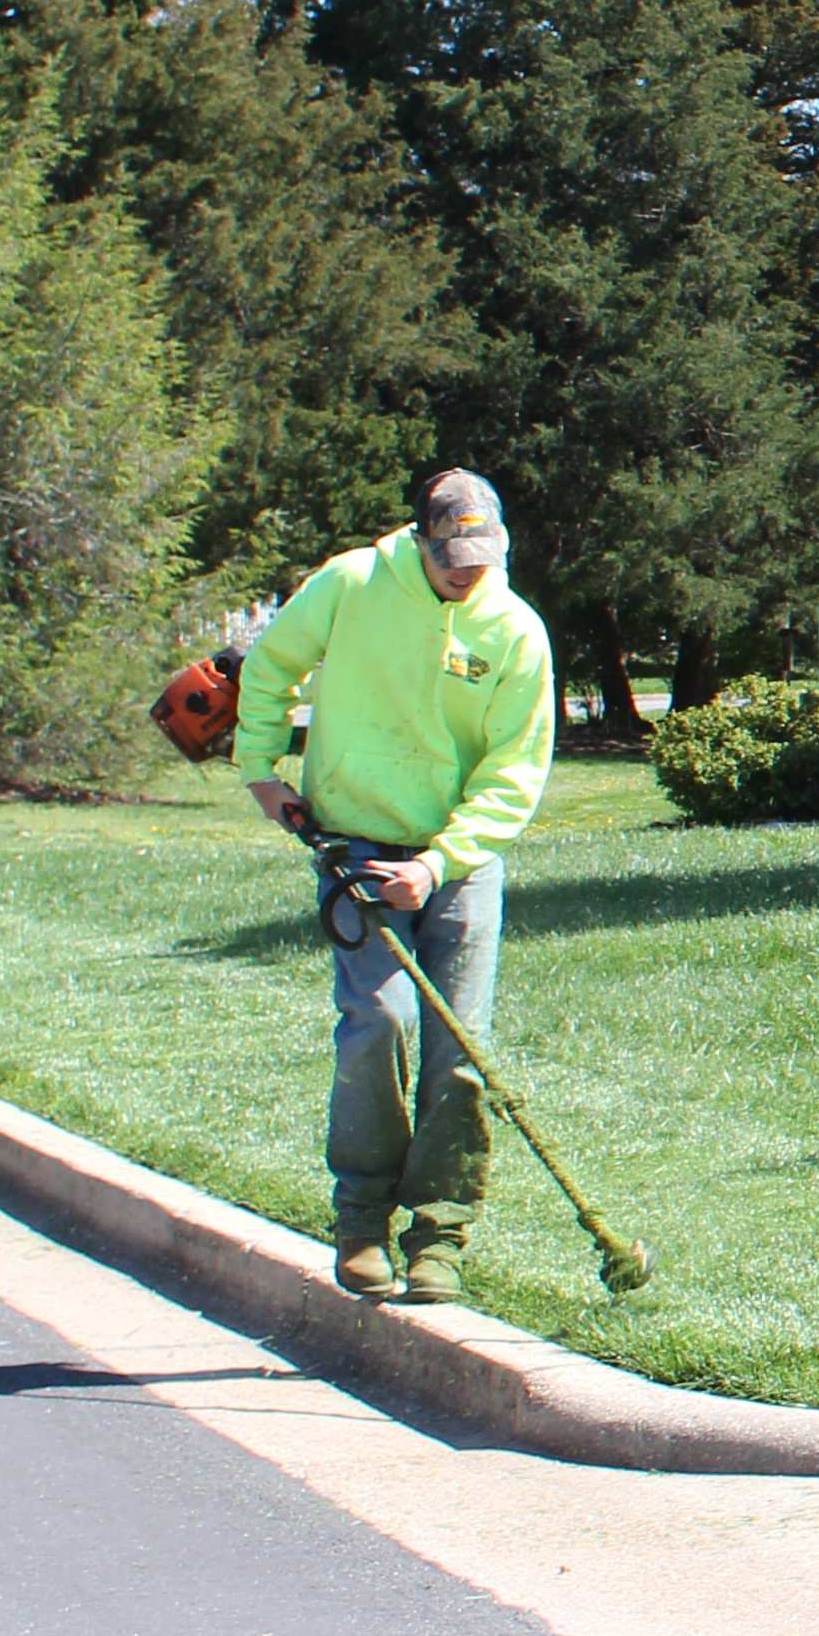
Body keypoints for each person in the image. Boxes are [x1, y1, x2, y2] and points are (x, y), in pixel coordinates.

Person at [232, 473, 559, 1306]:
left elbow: (513, 773)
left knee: (460, 1052)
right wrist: (261, 770)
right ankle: (361, 1221)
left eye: (480, 559)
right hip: (356, 845)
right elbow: (271, 666)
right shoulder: (351, 584)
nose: (465, 572)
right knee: (378, 1020)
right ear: (421, 540)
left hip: (457, 861)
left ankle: (440, 1237)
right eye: (451, 556)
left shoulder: (516, 633)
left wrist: (438, 863)